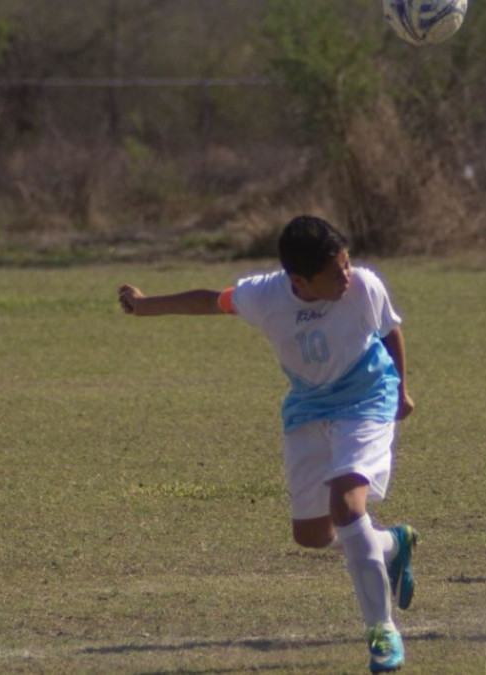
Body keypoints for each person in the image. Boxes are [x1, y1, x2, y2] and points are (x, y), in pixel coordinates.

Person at [118, 215, 418, 673]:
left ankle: (382, 632)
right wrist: (144, 306)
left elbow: (388, 329)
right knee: (312, 535)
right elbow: (210, 301)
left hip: (366, 400)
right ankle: (389, 544)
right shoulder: (265, 296)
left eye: (347, 262)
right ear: (299, 279)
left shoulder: (364, 286)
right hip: (307, 409)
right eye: (334, 271)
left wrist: (401, 390)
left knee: (347, 504)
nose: (346, 275)